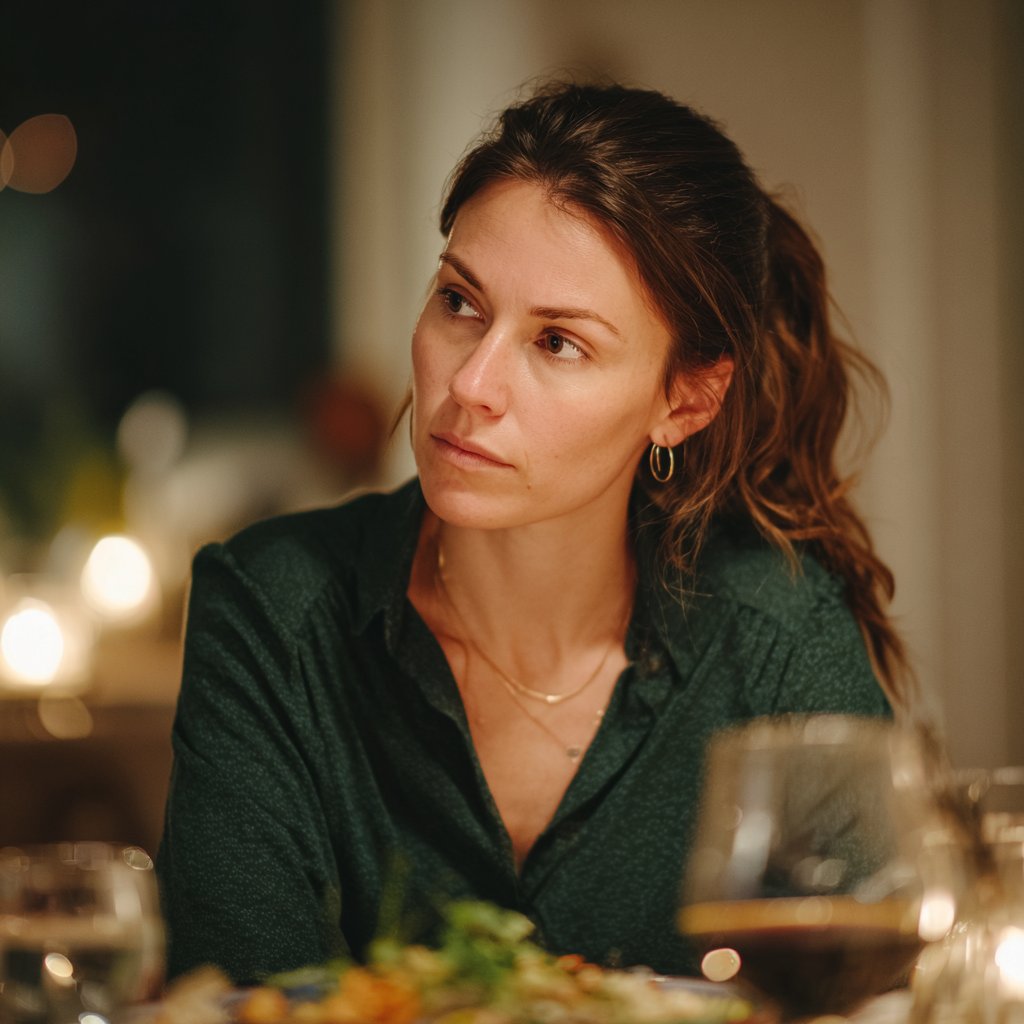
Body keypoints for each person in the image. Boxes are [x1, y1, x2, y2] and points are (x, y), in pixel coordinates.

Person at [156, 81, 909, 985]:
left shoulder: (778, 640)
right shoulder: (272, 607)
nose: (470, 382)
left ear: (686, 399)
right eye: (461, 302)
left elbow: (878, 997)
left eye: (558, 343)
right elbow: (240, 1001)